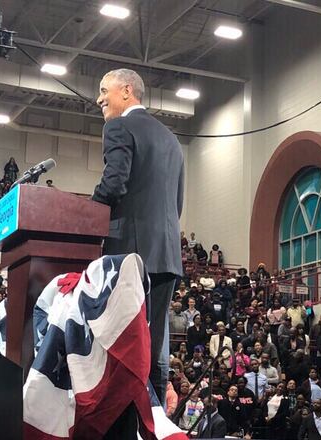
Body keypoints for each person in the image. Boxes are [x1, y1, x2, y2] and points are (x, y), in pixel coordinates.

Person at [92, 68, 184, 412]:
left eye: (104, 90)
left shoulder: (118, 126)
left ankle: (127, 422)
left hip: (130, 254)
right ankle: (154, 418)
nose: (100, 98)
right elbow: (176, 203)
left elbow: (114, 183)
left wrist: (87, 213)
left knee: (127, 343)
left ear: (126, 91)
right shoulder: (171, 139)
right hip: (167, 254)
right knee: (156, 344)